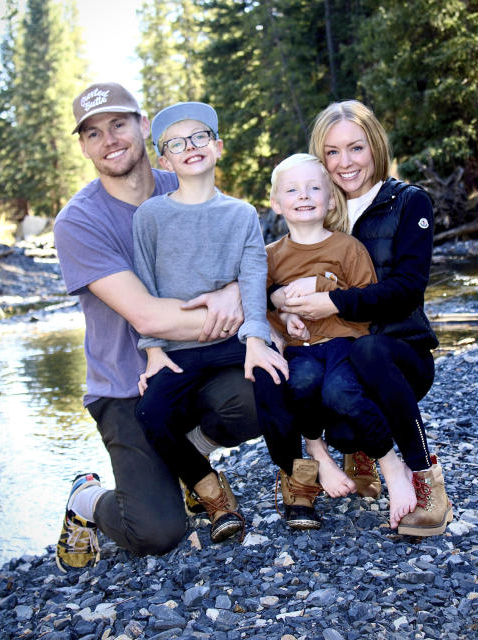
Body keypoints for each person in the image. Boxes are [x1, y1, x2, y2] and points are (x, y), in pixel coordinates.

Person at [50, 83, 263, 571]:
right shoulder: (79, 222)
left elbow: (247, 252)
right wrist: (238, 309)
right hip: (126, 386)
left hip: (194, 367)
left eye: (119, 124)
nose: (110, 139)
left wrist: (237, 292)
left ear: (145, 126)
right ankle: (85, 498)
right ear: (84, 146)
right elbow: (146, 316)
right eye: (94, 133)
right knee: (157, 533)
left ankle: (187, 458)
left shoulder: (184, 182)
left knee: (260, 391)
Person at [131, 102, 321, 539]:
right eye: (176, 143)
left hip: (234, 338)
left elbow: (252, 276)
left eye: (199, 137)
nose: (190, 147)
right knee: (151, 412)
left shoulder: (240, 214)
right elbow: (144, 284)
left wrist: (257, 339)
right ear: (165, 160)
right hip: (179, 345)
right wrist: (154, 351)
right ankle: (211, 492)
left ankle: (295, 481)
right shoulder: (150, 217)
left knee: (274, 377)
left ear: (217, 147)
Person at [274, 100, 453, 536]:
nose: (345, 162)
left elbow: (408, 288)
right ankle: (357, 453)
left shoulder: (409, 202)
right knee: (314, 382)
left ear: (374, 146)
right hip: (336, 354)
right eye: (332, 153)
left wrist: (333, 303)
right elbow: (279, 270)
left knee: (369, 351)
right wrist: (281, 303)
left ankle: (425, 480)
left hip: (398, 353)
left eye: (355, 148)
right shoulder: (319, 204)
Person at [264, 152, 422, 530]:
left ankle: (392, 466)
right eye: (292, 190)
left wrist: (323, 287)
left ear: (331, 199)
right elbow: (260, 307)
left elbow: (367, 301)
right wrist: (284, 316)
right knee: (299, 383)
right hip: (301, 349)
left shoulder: (347, 248)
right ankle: (318, 455)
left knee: (342, 393)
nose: (303, 196)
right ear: (275, 202)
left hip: (344, 342)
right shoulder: (269, 256)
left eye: (314, 188)